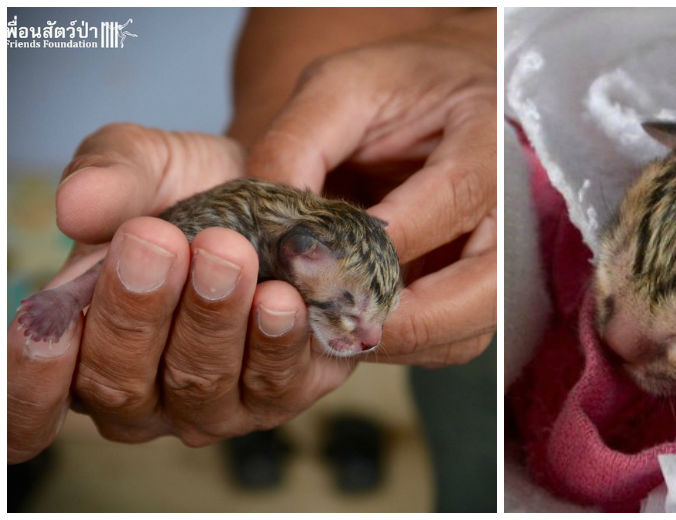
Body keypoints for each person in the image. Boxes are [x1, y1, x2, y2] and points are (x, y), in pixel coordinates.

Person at [7, 7, 496, 473]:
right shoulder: (228, 225)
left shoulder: (307, 258)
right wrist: (68, 299)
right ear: (301, 251)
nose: (372, 340)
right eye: (349, 302)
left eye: (375, 316)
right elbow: (117, 259)